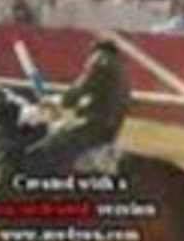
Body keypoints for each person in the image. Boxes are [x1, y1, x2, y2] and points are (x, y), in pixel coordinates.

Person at [23, 39, 131, 174]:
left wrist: (57, 101)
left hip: (91, 128)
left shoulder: (100, 59)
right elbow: (95, 97)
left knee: (39, 153)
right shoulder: (122, 70)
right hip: (108, 131)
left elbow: (79, 89)